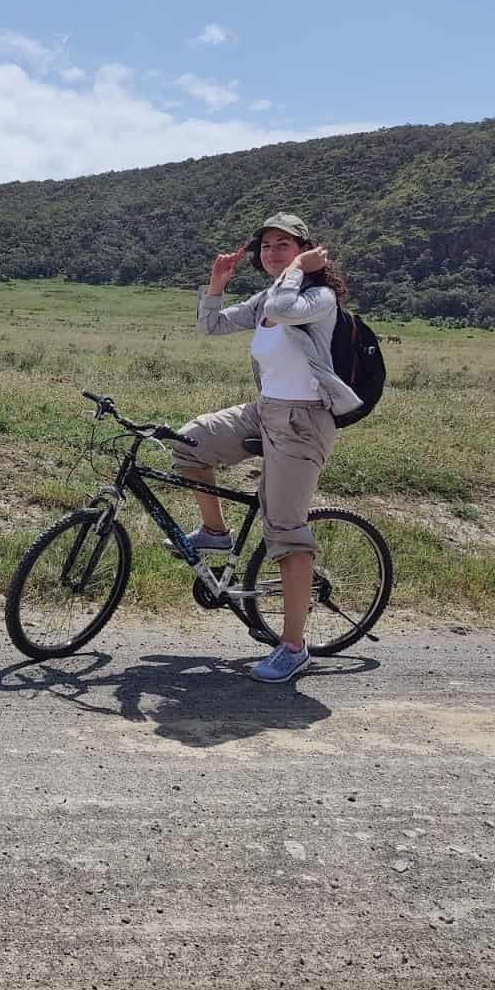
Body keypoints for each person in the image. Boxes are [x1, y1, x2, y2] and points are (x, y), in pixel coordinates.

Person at [168, 211, 362, 683]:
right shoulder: (266, 298)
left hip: (303, 420)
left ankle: (293, 647)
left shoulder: (318, 297)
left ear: (304, 250)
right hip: (266, 409)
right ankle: (215, 532)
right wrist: (216, 282)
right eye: (267, 246)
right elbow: (211, 326)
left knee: (287, 533)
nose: (272, 253)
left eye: (284, 245)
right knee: (188, 444)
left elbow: (286, 310)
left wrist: (300, 272)